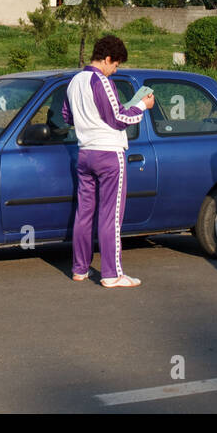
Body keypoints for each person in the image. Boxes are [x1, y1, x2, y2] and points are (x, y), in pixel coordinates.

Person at [61, 34, 154, 288]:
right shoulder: (100, 80)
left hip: (84, 153)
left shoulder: (74, 81)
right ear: (108, 59)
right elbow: (118, 119)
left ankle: (80, 269)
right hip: (109, 154)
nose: (115, 70)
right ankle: (112, 274)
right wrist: (142, 106)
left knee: (84, 213)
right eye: (116, 65)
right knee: (110, 216)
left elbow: (67, 116)